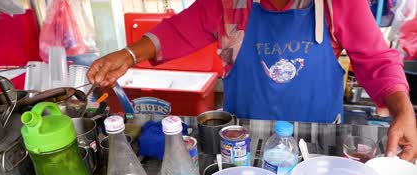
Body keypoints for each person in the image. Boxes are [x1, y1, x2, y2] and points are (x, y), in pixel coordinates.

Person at [87, 0, 417, 161]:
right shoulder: (228, 5)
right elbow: (175, 31)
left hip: (317, 145)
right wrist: (129, 55)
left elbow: (375, 58)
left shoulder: (337, 4)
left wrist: (403, 109)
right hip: (239, 144)